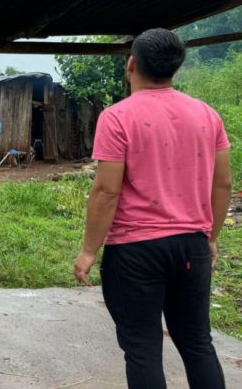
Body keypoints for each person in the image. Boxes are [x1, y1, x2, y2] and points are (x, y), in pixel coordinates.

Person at [73, 28, 231, 388]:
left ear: (131, 64)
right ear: (175, 68)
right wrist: (210, 236)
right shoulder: (207, 115)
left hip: (135, 252)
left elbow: (106, 192)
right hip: (192, 246)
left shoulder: (117, 117)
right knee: (197, 342)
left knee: (143, 348)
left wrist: (88, 251)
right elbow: (221, 184)